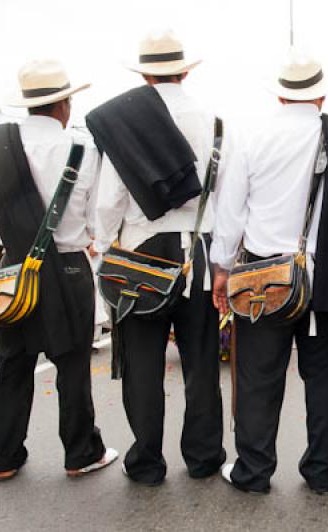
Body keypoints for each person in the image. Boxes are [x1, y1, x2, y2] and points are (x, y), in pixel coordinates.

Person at [211, 50, 328, 495]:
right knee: (320, 377)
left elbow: (231, 211)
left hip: (262, 278)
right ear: (321, 93)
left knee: (259, 378)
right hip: (323, 279)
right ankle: (321, 471)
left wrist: (222, 270)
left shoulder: (252, 135)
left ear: (280, 93)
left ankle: (254, 472)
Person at [87, 30, 228, 486]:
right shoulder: (214, 122)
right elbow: (225, 193)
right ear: (185, 69)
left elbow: (110, 197)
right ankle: (204, 457)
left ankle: (147, 462)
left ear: (144, 73)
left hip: (142, 252)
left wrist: (107, 244)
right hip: (200, 249)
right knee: (202, 360)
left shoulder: (128, 120)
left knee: (143, 363)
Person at [0, 59, 117, 481]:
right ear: (64, 104)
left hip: (10, 267)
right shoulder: (83, 152)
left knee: (12, 365)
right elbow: (95, 220)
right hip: (68, 269)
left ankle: (5, 459)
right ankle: (80, 454)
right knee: (71, 367)